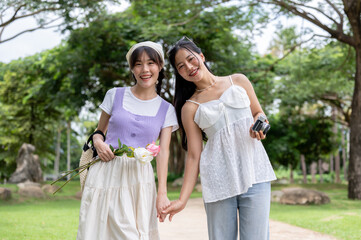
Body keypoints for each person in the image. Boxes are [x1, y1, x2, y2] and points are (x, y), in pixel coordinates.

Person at [163, 37, 277, 240]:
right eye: (181, 66)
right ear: (178, 73)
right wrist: (182, 200)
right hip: (218, 180)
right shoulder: (190, 107)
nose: (188, 67)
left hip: (255, 172)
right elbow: (194, 156)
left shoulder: (238, 80)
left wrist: (260, 125)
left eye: (191, 59)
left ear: (201, 56)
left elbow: (259, 112)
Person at [77, 41, 178, 240]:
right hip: (106, 172)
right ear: (132, 68)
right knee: (98, 232)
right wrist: (98, 142)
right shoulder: (114, 95)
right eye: (138, 64)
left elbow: (163, 152)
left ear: (160, 66)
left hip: (139, 179)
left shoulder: (167, 109)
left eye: (151, 63)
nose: (145, 69)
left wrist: (162, 193)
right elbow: (99, 132)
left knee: (133, 234)